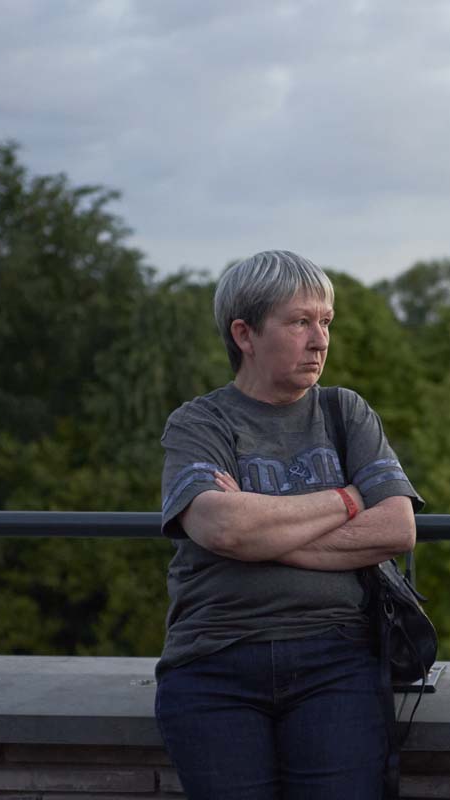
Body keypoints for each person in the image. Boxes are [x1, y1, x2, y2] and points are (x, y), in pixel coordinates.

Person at [155, 250, 422, 800]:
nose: (320, 340)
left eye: (326, 322)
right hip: (214, 662)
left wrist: (260, 532)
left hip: (336, 661)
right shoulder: (199, 422)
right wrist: (348, 498)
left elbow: (397, 529)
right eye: (300, 322)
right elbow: (222, 529)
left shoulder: (345, 413)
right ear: (244, 334)